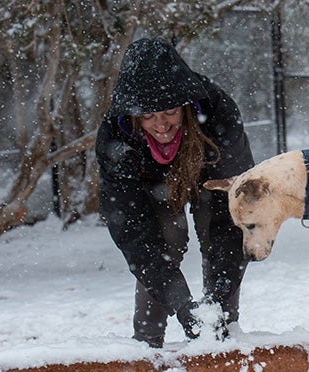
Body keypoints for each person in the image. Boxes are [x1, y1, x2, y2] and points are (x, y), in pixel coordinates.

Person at [95, 37, 254, 348]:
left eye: (169, 111)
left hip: (208, 180)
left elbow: (233, 216)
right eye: (148, 116)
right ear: (133, 116)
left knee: (216, 228)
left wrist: (217, 303)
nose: (161, 124)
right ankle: (147, 340)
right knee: (168, 236)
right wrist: (181, 305)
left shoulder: (219, 116)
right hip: (153, 186)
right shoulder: (117, 140)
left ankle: (223, 329)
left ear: (185, 105)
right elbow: (134, 232)